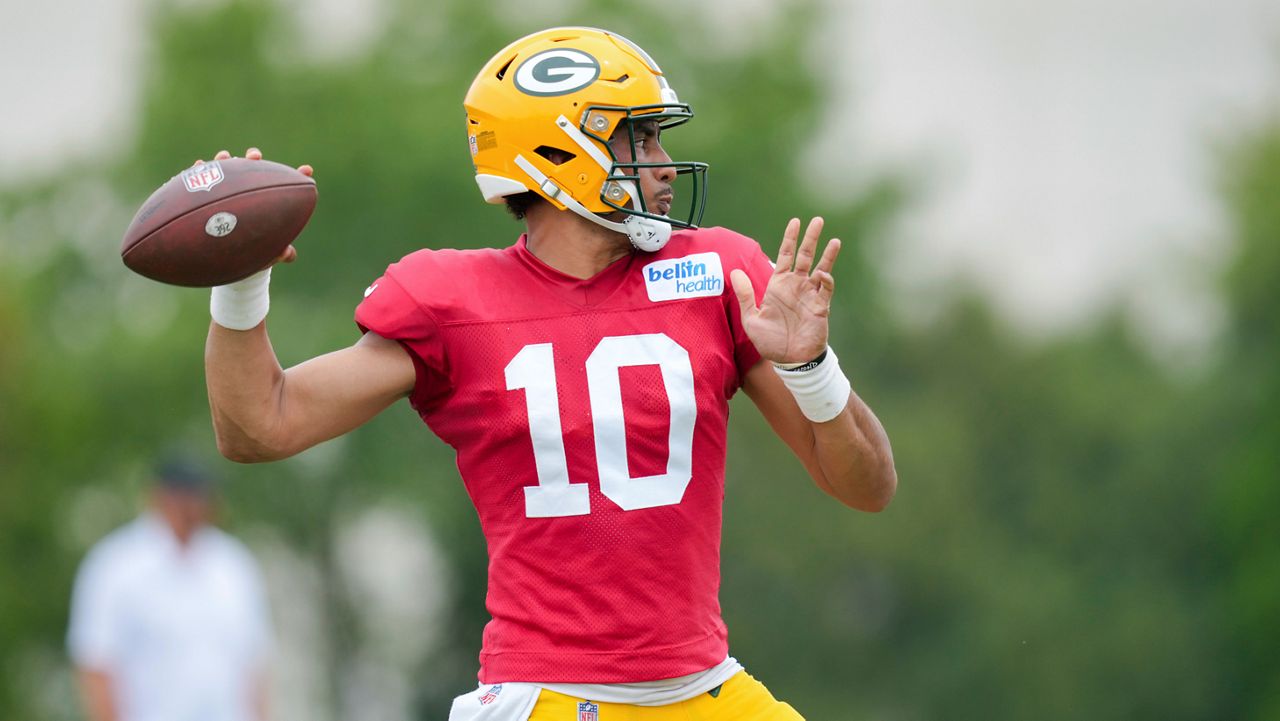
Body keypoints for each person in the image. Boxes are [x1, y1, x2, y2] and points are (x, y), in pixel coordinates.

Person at [202, 26, 896, 720]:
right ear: (561, 151)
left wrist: (812, 368)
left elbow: (867, 487)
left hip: (704, 687)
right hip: (549, 695)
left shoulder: (716, 274)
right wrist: (239, 288)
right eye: (641, 139)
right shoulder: (453, 300)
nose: (663, 164)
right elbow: (262, 424)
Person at [67, 457, 273, 721]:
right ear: (163, 496)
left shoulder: (234, 565)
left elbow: (255, 663)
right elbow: (95, 664)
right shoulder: (116, 566)